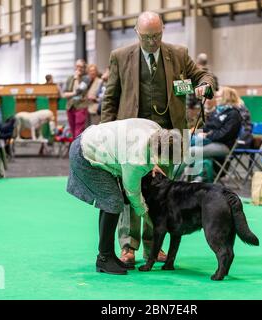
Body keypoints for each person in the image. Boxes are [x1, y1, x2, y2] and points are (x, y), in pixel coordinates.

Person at [101, 11, 215, 266]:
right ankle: (128, 246)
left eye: (157, 35)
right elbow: (110, 99)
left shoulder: (178, 53)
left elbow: (202, 77)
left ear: (163, 30)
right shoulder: (120, 57)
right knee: (130, 190)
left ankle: (154, 248)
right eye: (147, 37)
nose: (152, 41)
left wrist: (205, 86)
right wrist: (106, 134)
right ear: (136, 33)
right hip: (131, 138)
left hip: (169, 138)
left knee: (162, 197)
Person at [66, 118, 181, 275]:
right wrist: (149, 218)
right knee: (113, 202)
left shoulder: (155, 129)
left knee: (110, 201)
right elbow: (133, 194)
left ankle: (108, 255)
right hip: (85, 154)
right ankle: (104, 259)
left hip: (94, 140)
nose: (166, 164)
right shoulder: (135, 161)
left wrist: (153, 163)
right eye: (166, 161)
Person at [63, 59, 88, 138]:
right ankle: (74, 148)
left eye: (81, 67)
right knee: (73, 130)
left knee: (78, 131)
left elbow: (78, 91)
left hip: (80, 107)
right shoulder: (70, 78)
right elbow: (64, 94)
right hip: (70, 107)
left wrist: (76, 79)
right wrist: (73, 93)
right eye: (77, 66)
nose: (79, 68)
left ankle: (76, 149)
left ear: (84, 68)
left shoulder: (86, 79)